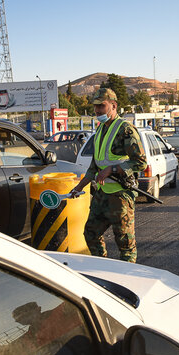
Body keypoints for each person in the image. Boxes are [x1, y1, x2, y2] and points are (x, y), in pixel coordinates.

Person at [70, 88, 147, 263]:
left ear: (113, 105)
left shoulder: (125, 129)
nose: (97, 110)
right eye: (95, 106)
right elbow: (94, 167)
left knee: (125, 245)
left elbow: (141, 162)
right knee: (90, 233)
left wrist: (112, 169)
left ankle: (128, 280)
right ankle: (103, 267)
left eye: (101, 106)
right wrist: (79, 187)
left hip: (120, 196)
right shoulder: (100, 131)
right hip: (102, 195)